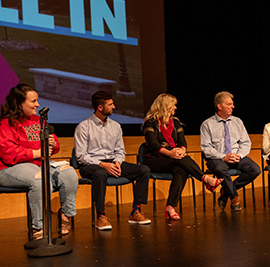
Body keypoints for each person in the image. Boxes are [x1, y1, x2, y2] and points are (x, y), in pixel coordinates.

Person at [0, 84, 78, 240]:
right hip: (10, 168)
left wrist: (54, 144)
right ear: (20, 103)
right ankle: (39, 227)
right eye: (33, 101)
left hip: (39, 164)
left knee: (69, 173)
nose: (38, 104)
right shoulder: (6, 124)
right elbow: (9, 155)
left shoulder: (38, 120)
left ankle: (65, 216)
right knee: (40, 179)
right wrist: (36, 153)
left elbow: (52, 143)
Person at [74, 91, 151, 230]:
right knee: (100, 173)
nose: (114, 106)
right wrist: (102, 165)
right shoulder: (83, 127)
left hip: (112, 162)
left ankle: (135, 211)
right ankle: (101, 215)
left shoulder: (115, 126)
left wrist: (117, 162)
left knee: (143, 170)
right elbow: (81, 156)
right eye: (110, 104)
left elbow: (120, 150)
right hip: (91, 165)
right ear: (100, 107)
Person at [141, 93, 223, 219]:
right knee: (178, 160)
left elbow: (182, 142)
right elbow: (153, 144)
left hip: (173, 158)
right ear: (166, 106)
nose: (175, 108)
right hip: (153, 158)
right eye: (173, 105)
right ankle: (205, 179)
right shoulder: (150, 122)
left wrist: (182, 150)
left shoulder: (175, 122)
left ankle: (170, 206)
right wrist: (170, 153)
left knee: (181, 170)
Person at [200, 91, 260, 211]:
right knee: (220, 168)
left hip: (236, 156)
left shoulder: (238, 122)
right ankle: (234, 196)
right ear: (219, 106)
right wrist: (223, 156)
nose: (233, 107)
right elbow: (206, 147)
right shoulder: (207, 124)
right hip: (217, 158)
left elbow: (246, 142)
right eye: (229, 104)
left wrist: (239, 155)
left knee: (255, 169)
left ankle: (226, 192)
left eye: (232, 104)